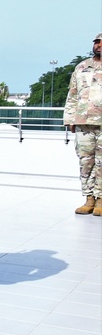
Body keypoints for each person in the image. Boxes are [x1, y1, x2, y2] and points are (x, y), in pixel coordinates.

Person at [64, 33, 102, 216]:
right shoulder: (81, 67)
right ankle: (89, 198)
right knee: (86, 162)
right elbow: (72, 94)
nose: (99, 46)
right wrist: (69, 119)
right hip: (84, 122)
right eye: (97, 42)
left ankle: (101, 198)